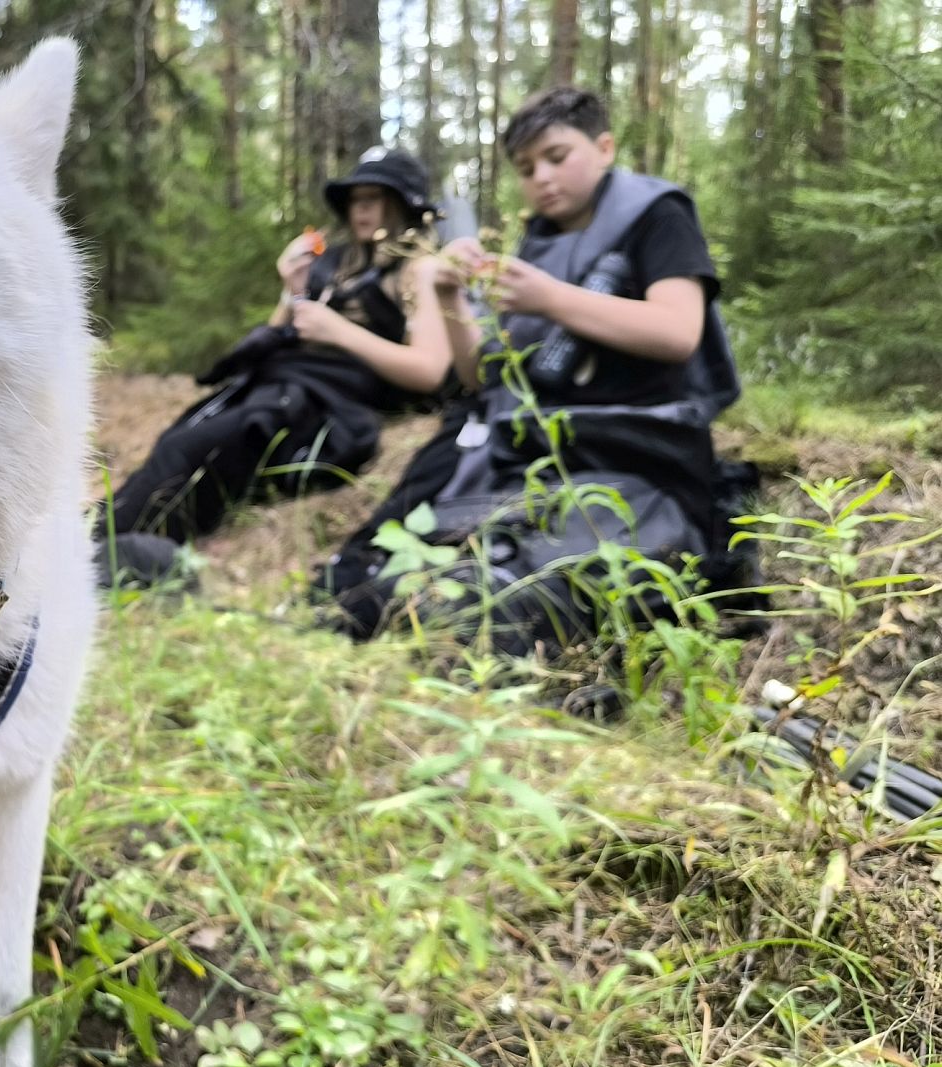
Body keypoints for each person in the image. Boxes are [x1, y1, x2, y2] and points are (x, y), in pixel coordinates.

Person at [312, 87, 757, 653]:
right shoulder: (539, 242)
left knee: (505, 605)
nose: (542, 178)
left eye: (556, 156)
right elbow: (482, 379)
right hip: (537, 468)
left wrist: (549, 297)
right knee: (388, 591)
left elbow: (678, 331)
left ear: (604, 147)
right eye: (525, 168)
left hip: (641, 463)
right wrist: (450, 298)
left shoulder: (657, 213)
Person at [98, 150, 455, 587]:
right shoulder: (341, 263)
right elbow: (272, 337)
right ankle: (94, 538)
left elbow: (430, 369)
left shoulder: (420, 268)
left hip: (322, 401)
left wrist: (339, 331)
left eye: (376, 198)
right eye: (356, 199)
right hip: (276, 381)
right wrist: (291, 291)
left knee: (201, 448)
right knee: (178, 442)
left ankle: (110, 554)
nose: (362, 210)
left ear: (405, 205)